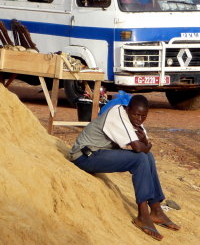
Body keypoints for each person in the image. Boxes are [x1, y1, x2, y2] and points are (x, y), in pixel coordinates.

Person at [69, 95, 180, 241]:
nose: (139, 119)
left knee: (149, 157)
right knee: (140, 159)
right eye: (136, 114)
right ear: (128, 109)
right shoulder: (117, 114)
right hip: (83, 156)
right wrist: (145, 145)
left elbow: (146, 146)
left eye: (143, 116)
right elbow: (139, 147)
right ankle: (142, 215)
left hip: (99, 153)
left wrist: (145, 143)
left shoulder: (135, 120)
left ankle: (156, 209)